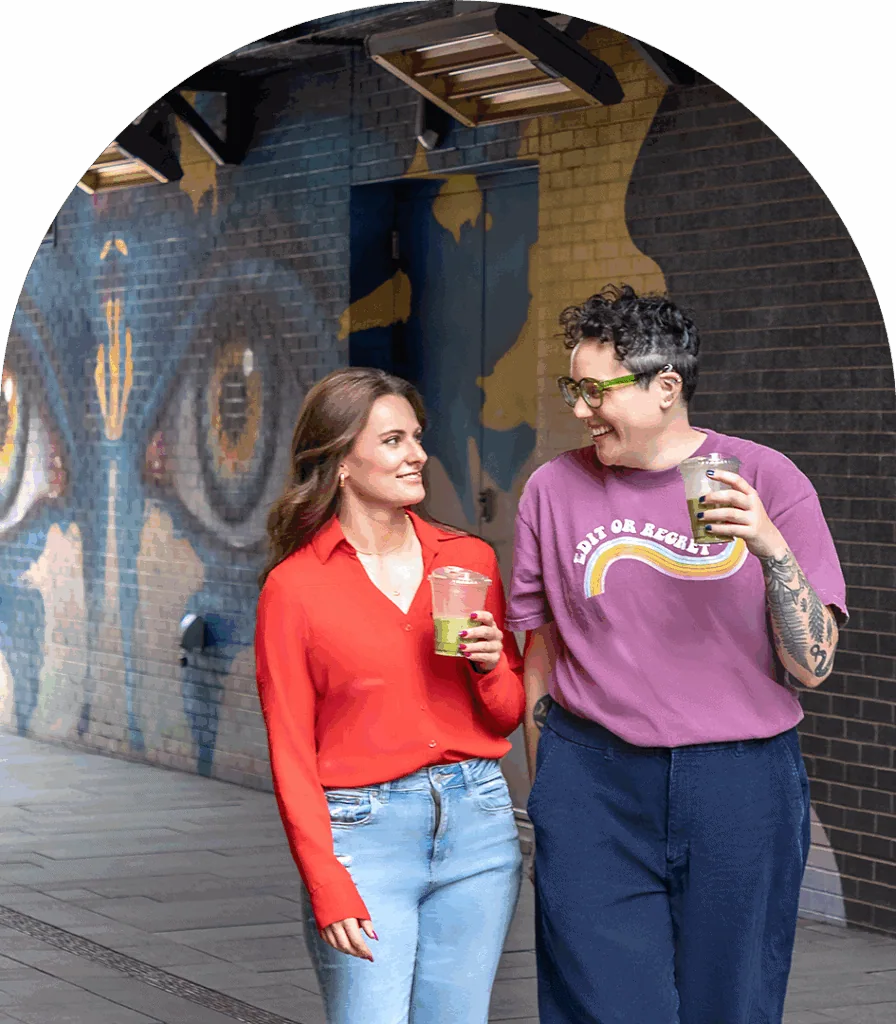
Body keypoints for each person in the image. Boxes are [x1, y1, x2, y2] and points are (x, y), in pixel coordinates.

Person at [506, 284, 848, 1024]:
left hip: (742, 786)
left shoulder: (767, 479)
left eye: (596, 391)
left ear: (666, 388)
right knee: (599, 1003)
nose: (578, 409)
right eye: (573, 388)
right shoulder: (551, 490)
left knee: (731, 1004)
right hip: (593, 780)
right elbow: (541, 651)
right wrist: (550, 797)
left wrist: (772, 548)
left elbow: (813, 665)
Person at [254, 367, 525, 1024]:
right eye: (395, 440)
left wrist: (491, 665)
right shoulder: (294, 590)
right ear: (341, 461)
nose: (418, 455)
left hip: (479, 824)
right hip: (364, 838)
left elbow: (507, 714)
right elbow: (291, 753)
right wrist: (326, 881)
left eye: (417, 437)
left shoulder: (469, 561)